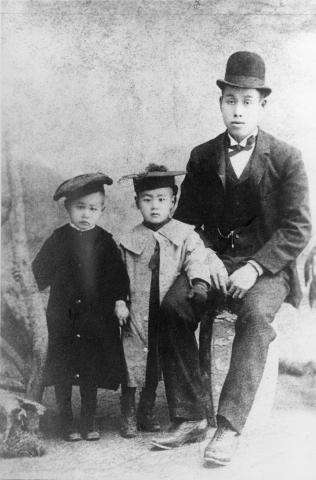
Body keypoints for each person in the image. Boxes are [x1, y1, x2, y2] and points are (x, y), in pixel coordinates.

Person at [153, 51, 311, 465]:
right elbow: (187, 222)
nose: (237, 110)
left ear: (262, 104)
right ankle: (188, 417)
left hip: (266, 268)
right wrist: (206, 257)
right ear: (220, 102)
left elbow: (298, 228)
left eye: (247, 101)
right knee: (173, 307)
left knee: (256, 317)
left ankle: (229, 427)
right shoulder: (203, 155)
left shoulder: (287, 158)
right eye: (230, 100)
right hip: (211, 262)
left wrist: (256, 267)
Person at [32, 173, 130, 441]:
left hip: (94, 318)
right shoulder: (58, 238)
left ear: (102, 211)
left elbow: (117, 277)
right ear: (68, 208)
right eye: (80, 207)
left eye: (93, 209)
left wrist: (120, 301)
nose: (86, 214)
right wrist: (28, 292)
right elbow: (38, 274)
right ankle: (66, 419)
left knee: (90, 369)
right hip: (62, 317)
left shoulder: (105, 241)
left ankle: (89, 418)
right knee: (63, 369)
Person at [118, 164, 210, 439]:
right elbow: (117, 275)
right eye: (147, 200)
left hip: (166, 311)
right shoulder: (127, 240)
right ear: (137, 203)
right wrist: (120, 301)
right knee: (134, 361)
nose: (154, 206)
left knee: (157, 361)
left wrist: (199, 283)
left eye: (161, 199)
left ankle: (147, 411)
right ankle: (129, 414)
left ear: (173, 200)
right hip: (137, 311)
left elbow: (196, 259)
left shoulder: (186, 235)